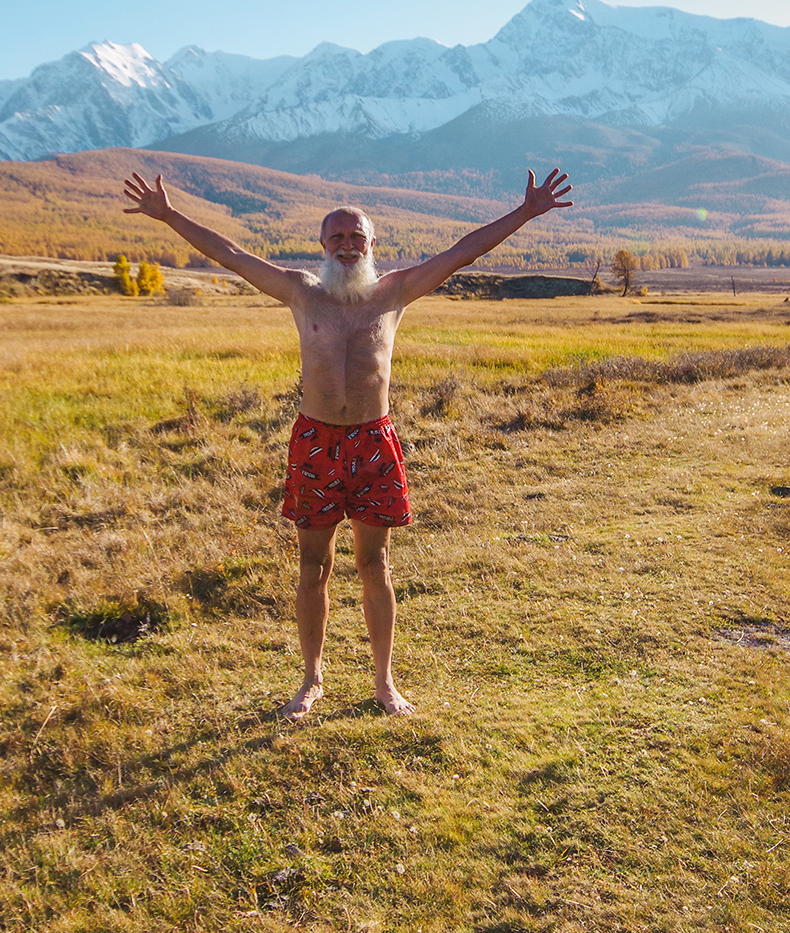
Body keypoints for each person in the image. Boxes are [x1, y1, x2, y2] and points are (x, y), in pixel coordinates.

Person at [121, 168, 573, 719]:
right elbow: (233, 255)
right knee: (312, 565)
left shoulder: (395, 291)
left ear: (372, 245)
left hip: (373, 442)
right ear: (321, 245)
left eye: (356, 236)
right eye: (336, 236)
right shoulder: (300, 291)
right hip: (314, 442)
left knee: (375, 562)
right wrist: (168, 215)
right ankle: (311, 680)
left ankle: (384, 683)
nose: (346, 245)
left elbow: (462, 252)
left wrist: (525, 213)